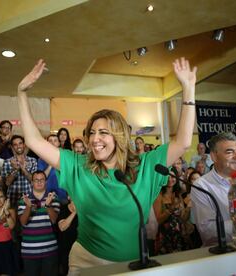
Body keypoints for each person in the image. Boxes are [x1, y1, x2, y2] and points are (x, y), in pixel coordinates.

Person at [17, 57, 196, 273]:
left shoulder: (145, 166)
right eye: (92, 133)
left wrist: (188, 89)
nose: (94, 139)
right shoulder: (78, 165)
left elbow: (184, 141)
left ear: (119, 136)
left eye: (103, 132)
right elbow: (34, 141)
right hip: (85, 262)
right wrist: (21, 93)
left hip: (131, 264)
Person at [18, 171, 60, 276]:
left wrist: (48, 205)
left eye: (42, 180)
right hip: (29, 250)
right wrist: (28, 207)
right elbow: (23, 222)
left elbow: (54, 220)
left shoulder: (53, 198)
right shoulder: (24, 199)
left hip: (50, 249)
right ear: (32, 182)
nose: (39, 182)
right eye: (36, 180)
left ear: (46, 182)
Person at [153, 176, 193, 254]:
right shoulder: (158, 196)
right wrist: (171, 209)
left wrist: (188, 206)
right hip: (166, 236)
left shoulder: (178, 195)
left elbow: (183, 219)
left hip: (180, 235)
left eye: (172, 176)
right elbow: (158, 221)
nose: (170, 179)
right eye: (167, 177)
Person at [2, 135, 37, 208]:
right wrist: (15, 169)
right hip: (13, 198)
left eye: (20, 143)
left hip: (29, 197)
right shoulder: (7, 162)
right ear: (12, 147)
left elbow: (34, 180)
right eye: (15, 144)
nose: (18, 146)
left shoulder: (33, 160)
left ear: (24, 145)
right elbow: (7, 183)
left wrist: (24, 169)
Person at [57, 197, 78, 276]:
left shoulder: (85, 209)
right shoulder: (63, 209)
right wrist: (75, 212)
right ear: (68, 197)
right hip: (67, 249)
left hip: (82, 250)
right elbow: (62, 227)